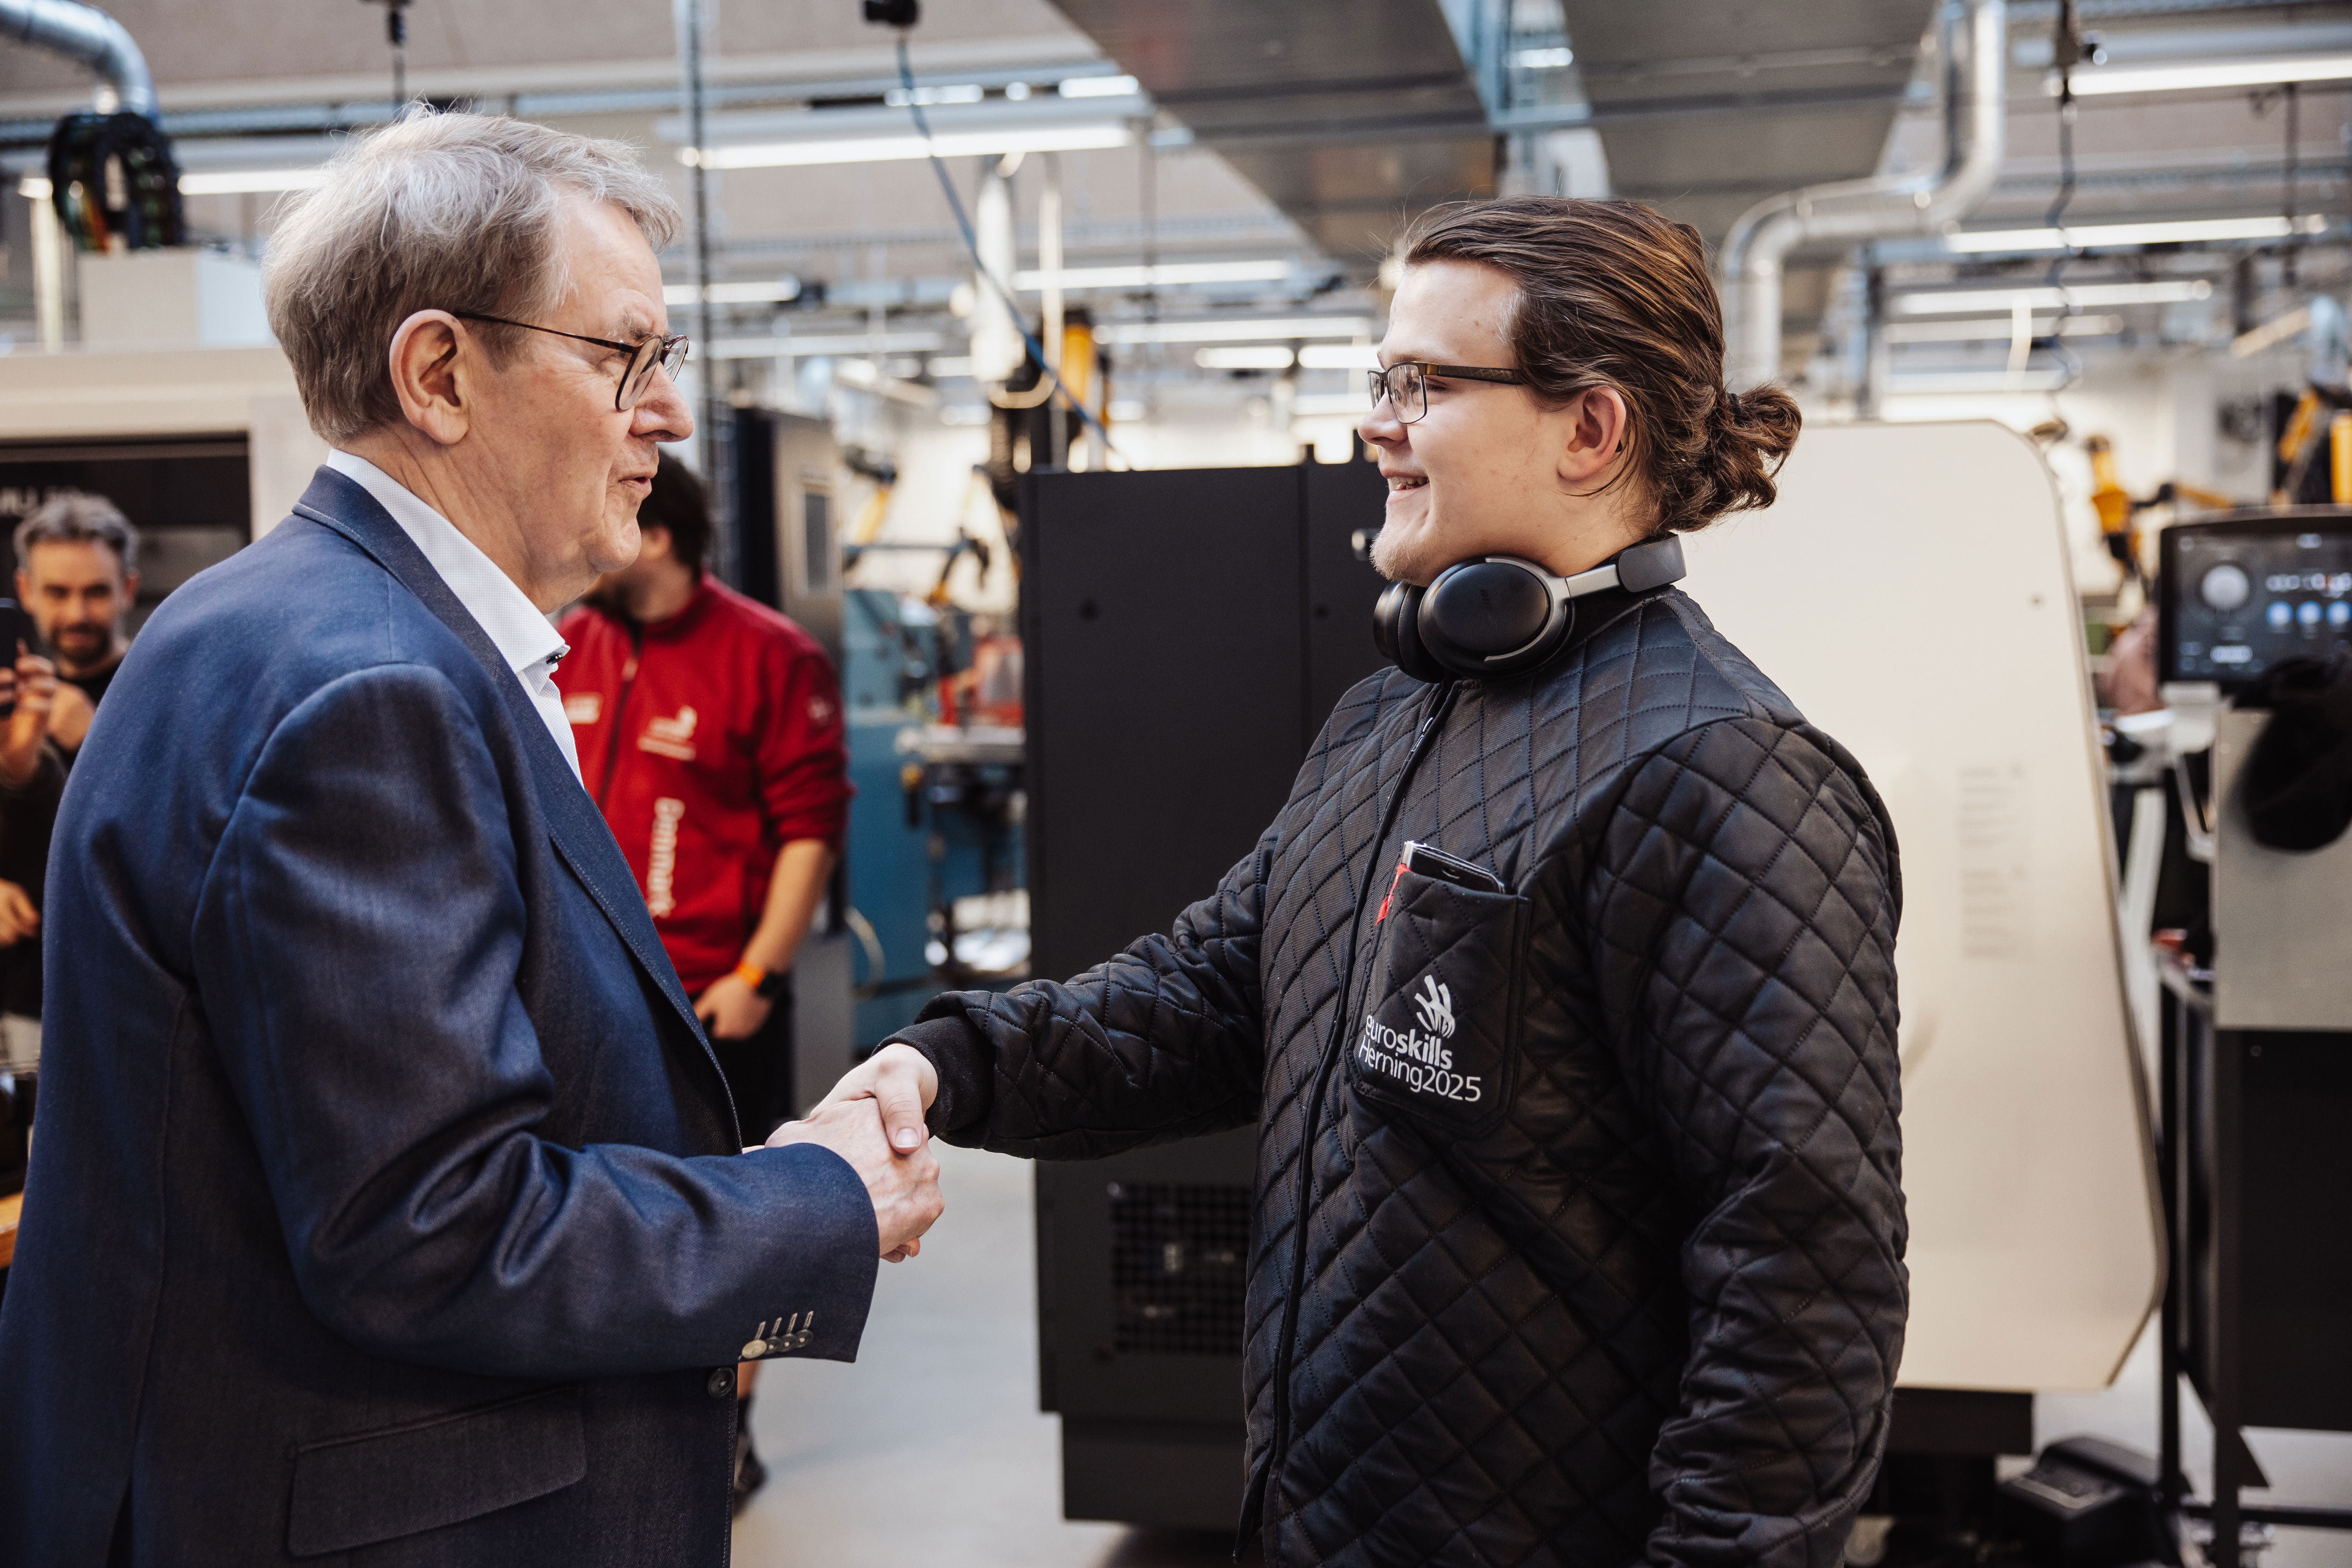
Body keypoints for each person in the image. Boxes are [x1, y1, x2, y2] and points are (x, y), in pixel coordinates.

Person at [826, 197, 1908, 1567]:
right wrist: (948, 1064)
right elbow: (1215, 993)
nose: (1373, 426)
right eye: (1380, 380)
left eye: (1422, 385)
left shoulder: (1720, 775)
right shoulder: (1398, 712)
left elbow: (1802, 1282)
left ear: (1590, 428)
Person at [0, 112, 940, 1568]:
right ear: (440, 374)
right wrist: (815, 1197)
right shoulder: (368, 692)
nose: (668, 413)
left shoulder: (281, 623)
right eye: (624, 355)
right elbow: (431, 1223)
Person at [556, 448, 854, 1507]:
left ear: (656, 535)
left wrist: (758, 972)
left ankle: (726, 1431)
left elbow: (810, 831)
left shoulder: (767, 655)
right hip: (591, 998)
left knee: (733, 1226)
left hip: (714, 1002)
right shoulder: (570, 644)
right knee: (612, 1221)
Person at [0, 492, 142, 1078]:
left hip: (129, 1000)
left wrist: (95, 736)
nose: (77, 613)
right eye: (58, 592)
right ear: (27, 590)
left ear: (128, 590)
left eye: (96, 592)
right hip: (22, 999)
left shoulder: (162, 687)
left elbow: (184, 844)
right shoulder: (12, 704)